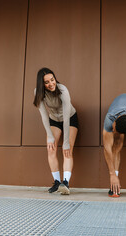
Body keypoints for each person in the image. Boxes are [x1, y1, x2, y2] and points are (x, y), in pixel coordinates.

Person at [33, 67, 78, 195]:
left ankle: (66, 183)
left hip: (69, 118)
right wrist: (50, 136)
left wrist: (65, 142)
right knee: (51, 147)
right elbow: (43, 115)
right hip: (54, 120)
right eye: (47, 82)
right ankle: (57, 182)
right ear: (42, 84)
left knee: (67, 150)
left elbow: (66, 116)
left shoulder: (62, 90)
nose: (51, 84)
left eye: (52, 80)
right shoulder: (38, 92)